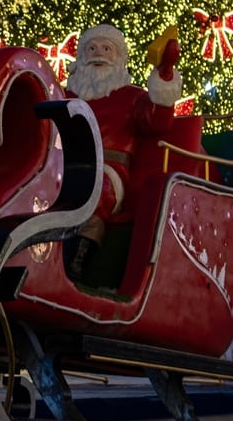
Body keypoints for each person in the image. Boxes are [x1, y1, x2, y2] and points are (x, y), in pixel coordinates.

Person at [61, 23, 181, 282]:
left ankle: (78, 261)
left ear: (120, 58)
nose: (98, 54)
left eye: (107, 49)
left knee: (95, 188)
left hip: (108, 170)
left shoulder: (132, 97)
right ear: (80, 57)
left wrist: (166, 73)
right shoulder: (64, 97)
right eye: (91, 48)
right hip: (61, 166)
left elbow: (158, 120)